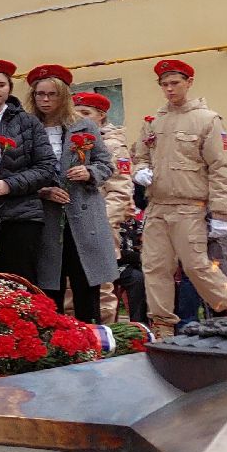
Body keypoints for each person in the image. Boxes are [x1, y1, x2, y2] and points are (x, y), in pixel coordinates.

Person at [130, 60, 227, 337]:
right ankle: (163, 326)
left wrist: (221, 213)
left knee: (196, 265)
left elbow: (220, 167)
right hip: (158, 206)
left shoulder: (207, 120)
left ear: (189, 82)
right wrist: (140, 171)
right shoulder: (154, 122)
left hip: (189, 206)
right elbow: (139, 155)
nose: (169, 89)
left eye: (175, 83)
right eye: (164, 84)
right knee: (155, 267)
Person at [26, 66, 118, 321]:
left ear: (64, 96)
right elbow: (17, 171)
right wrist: (41, 190)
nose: (45, 100)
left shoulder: (84, 126)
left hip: (83, 214)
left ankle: (93, 338)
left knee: (86, 282)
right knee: (49, 286)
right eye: (40, 94)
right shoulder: (26, 127)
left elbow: (106, 165)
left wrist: (89, 172)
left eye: (52, 94)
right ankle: (56, 345)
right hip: (45, 217)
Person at [0, 60, 52, 286]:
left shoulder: (28, 122)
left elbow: (46, 167)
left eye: (1, 85)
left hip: (20, 214)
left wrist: (8, 185)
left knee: (19, 281)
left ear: (9, 88)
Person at [73, 91, 135, 322]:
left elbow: (121, 190)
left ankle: (106, 335)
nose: (80, 118)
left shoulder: (112, 146)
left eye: (86, 113)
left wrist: (103, 222)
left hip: (101, 223)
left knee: (100, 284)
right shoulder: (73, 141)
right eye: (76, 113)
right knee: (72, 285)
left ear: (101, 115)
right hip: (75, 221)